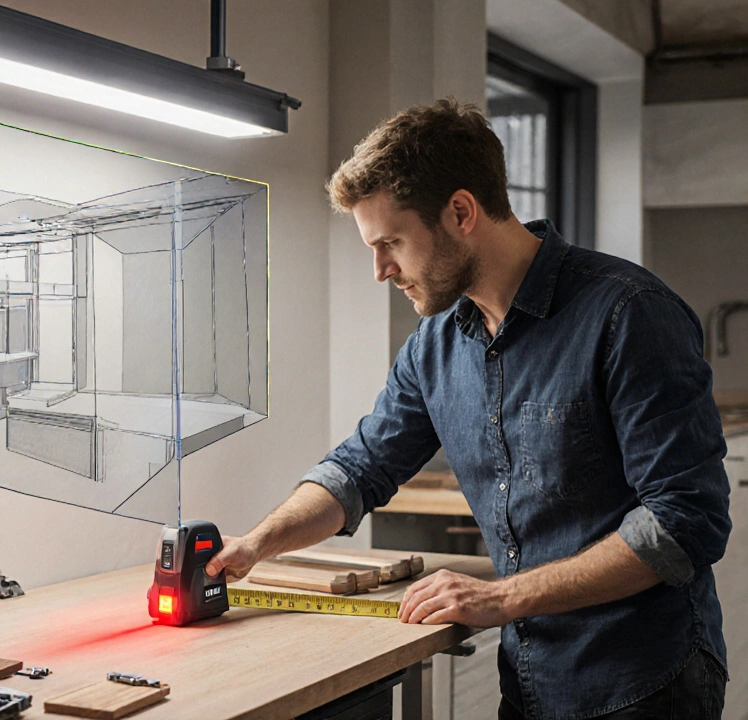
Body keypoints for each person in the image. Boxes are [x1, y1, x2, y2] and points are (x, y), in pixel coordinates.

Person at [205, 99, 731, 719]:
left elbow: (685, 521)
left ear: (460, 212)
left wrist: (501, 598)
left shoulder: (628, 313)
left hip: (644, 681)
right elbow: (361, 467)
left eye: (391, 242)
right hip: (532, 681)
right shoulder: (436, 344)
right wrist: (257, 544)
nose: (380, 271)